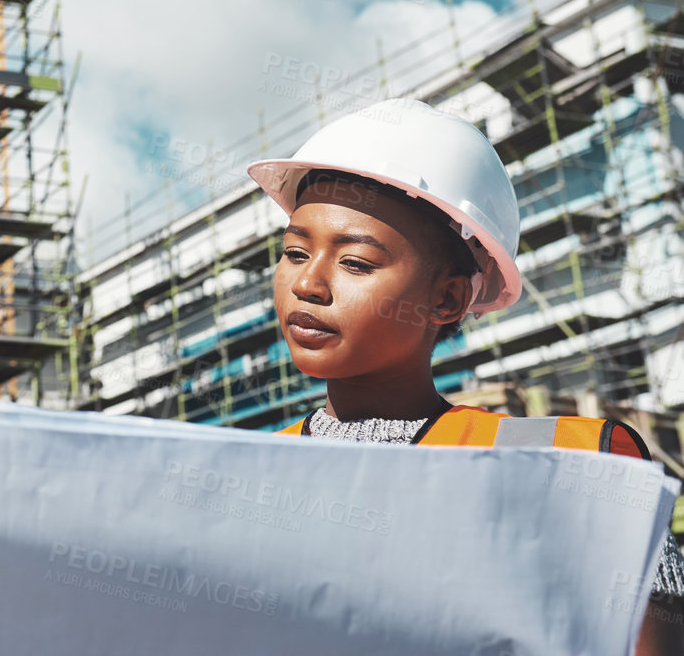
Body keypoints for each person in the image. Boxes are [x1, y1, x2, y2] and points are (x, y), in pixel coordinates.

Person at [249, 97, 684, 652]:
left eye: (355, 262)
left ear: (448, 298)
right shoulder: (248, 474)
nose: (308, 284)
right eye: (293, 251)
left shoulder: (580, 464)